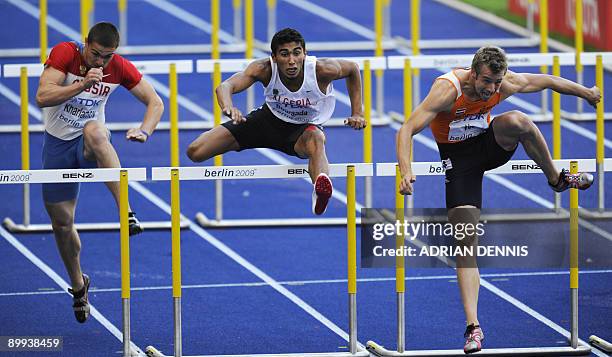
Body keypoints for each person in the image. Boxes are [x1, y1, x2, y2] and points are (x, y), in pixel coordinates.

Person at [396, 46, 599, 353]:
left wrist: (586, 92)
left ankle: (556, 179)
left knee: (519, 120)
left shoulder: (503, 83)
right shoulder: (447, 90)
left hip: (490, 146)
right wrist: (406, 171)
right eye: (487, 82)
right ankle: (473, 328)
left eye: (497, 82)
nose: (491, 89)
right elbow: (407, 129)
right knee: (465, 245)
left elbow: (546, 81)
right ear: (473, 73)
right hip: (458, 163)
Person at [35, 22, 163, 323]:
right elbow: (42, 96)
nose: (101, 62)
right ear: (85, 44)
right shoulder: (65, 53)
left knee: (96, 131)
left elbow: (155, 101)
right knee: (63, 226)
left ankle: (126, 211)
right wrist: (81, 84)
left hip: (89, 144)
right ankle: (79, 285)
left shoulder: (118, 67)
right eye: (96, 54)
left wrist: (145, 130)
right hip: (57, 147)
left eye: (107, 57)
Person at [186, 28, 365, 215]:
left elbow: (352, 68)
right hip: (266, 122)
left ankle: (320, 188)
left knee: (316, 138)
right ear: (274, 57)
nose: (292, 61)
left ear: (305, 53)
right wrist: (228, 107)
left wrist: (357, 112)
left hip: (302, 131)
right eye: (284, 54)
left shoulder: (323, 70)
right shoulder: (264, 69)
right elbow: (225, 86)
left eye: (297, 53)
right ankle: (320, 182)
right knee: (196, 152)